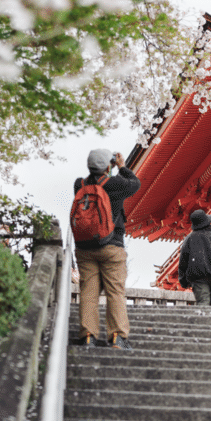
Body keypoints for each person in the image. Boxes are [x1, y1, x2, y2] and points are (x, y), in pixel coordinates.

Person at [73, 148, 140, 349]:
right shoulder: (116, 183)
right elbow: (135, 184)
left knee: (88, 292)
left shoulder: (79, 184)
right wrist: (122, 166)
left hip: (84, 247)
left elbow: (93, 183)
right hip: (112, 245)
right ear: (107, 166)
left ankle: (88, 337)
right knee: (115, 291)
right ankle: (118, 337)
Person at [178, 209, 211, 305]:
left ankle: (203, 320)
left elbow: (183, 261)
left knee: (203, 303)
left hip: (199, 278)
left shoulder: (190, 239)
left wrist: (183, 280)